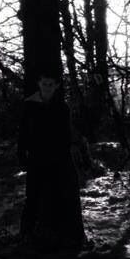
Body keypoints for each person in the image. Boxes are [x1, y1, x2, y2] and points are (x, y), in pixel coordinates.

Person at [18, 68, 86, 249]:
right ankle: (26, 234)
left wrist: (68, 151)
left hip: (59, 158)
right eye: (44, 84)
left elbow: (66, 133)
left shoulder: (62, 107)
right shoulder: (29, 106)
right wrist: (22, 155)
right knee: (33, 196)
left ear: (56, 86)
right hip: (36, 158)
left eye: (50, 84)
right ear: (39, 84)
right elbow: (23, 133)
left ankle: (65, 236)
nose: (47, 87)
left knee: (61, 194)